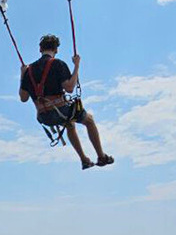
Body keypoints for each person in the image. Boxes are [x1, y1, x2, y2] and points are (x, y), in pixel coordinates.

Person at [20, 34, 114, 169]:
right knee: (89, 120)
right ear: (56, 50)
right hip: (60, 110)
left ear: (40, 49)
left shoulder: (28, 71)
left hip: (43, 116)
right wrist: (76, 66)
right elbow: (69, 88)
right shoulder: (58, 64)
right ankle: (101, 156)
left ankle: (84, 159)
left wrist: (22, 75)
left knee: (70, 124)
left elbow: (23, 98)